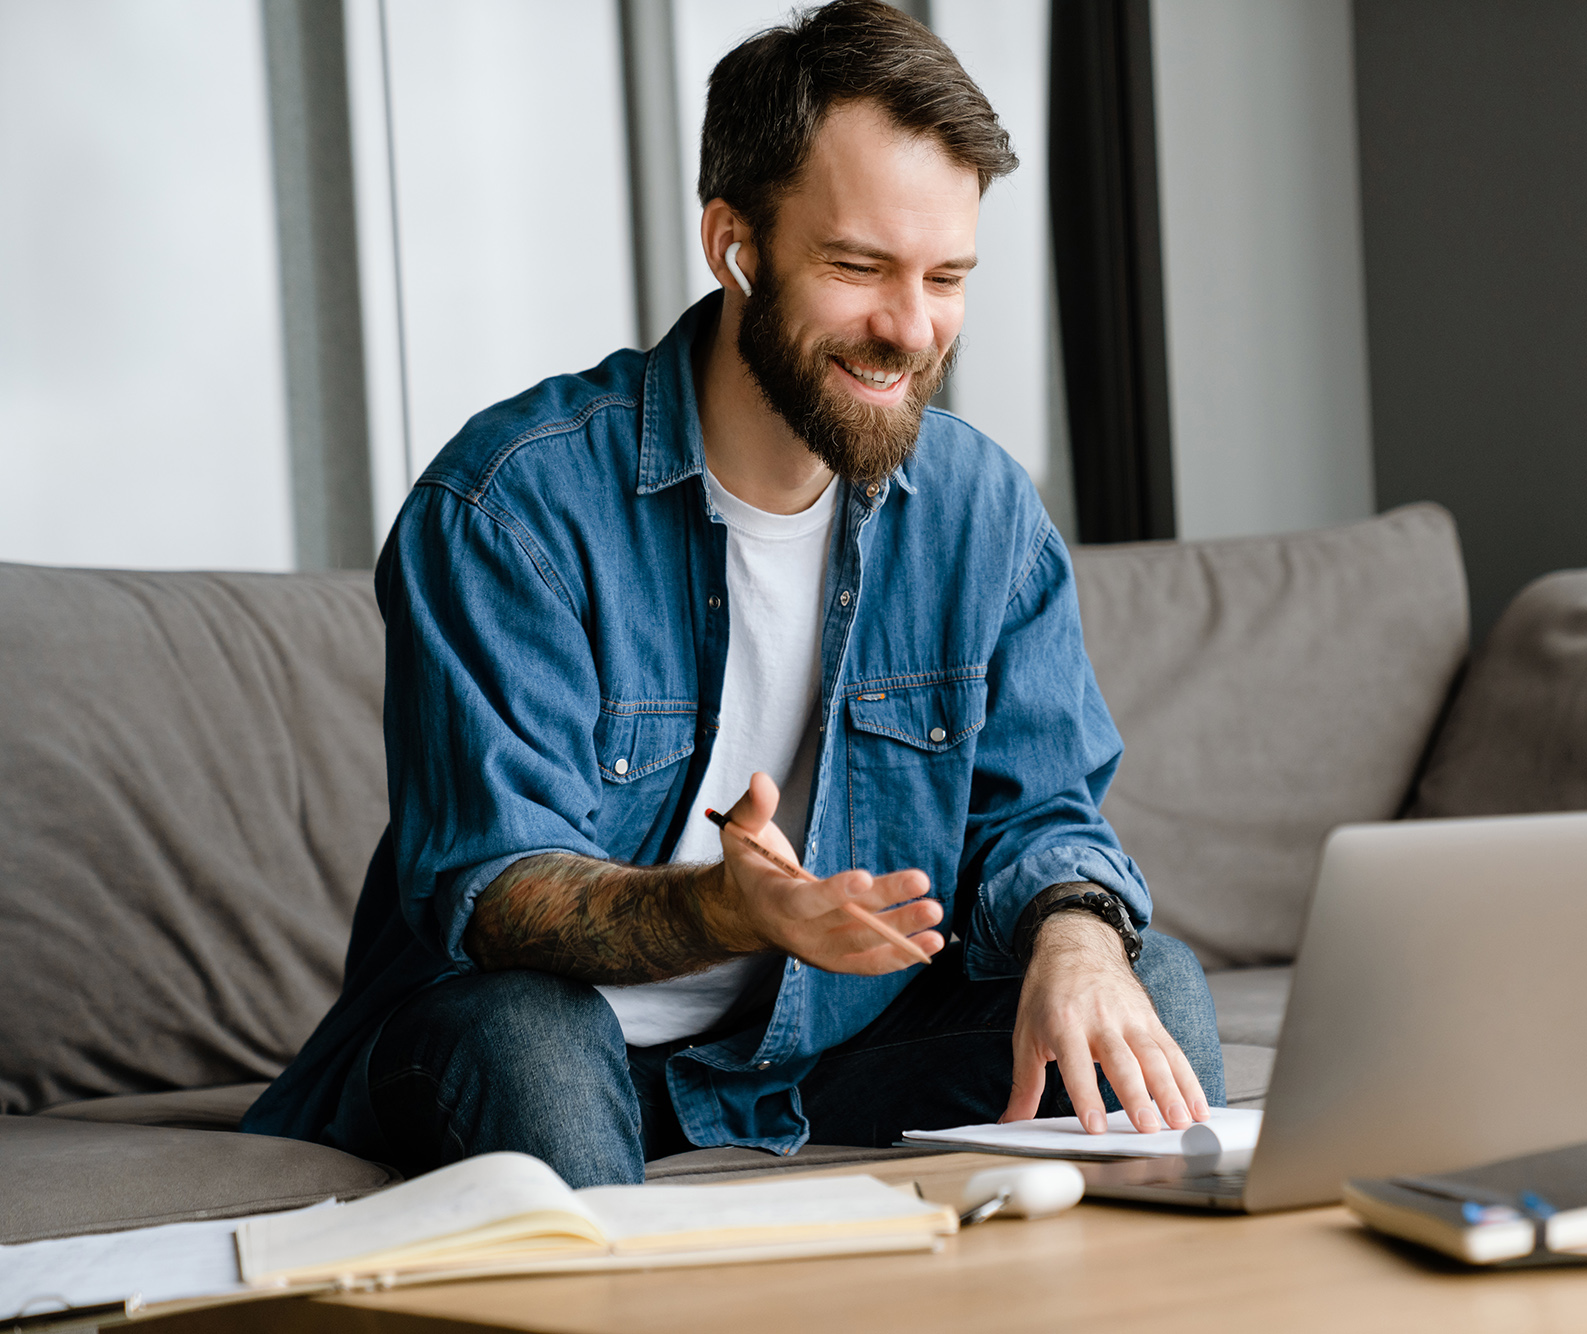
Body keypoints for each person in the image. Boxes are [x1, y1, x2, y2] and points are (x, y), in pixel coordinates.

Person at [243, 0, 1223, 1187]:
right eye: (858, 267)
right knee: (526, 1037)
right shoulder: (510, 505)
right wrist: (729, 909)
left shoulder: (981, 511)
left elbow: (1038, 814)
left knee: (1144, 977)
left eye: (946, 276)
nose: (909, 330)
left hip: (817, 1053)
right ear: (734, 244)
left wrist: (1075, 933)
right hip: (527, 1039)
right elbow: (492, 890)